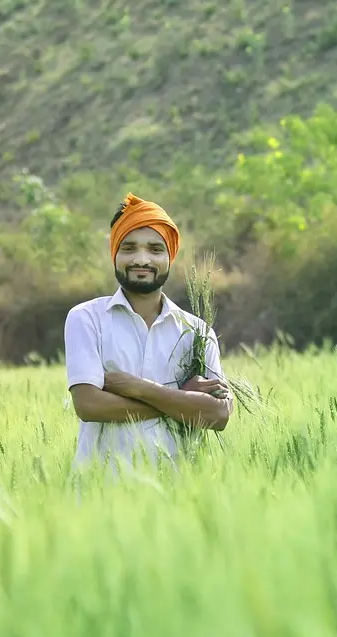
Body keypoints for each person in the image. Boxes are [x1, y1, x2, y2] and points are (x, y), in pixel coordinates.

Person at [63, 192, 233, 472]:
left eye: (155, 249)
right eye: (129, 248)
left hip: (180, 491)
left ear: (171, 256)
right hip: (100, 491)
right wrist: (183, 400)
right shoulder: (87, 319)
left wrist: (138, 389)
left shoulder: (197, 331)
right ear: (114, 254)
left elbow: (218, 415)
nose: (142, 260)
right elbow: (89, 405)